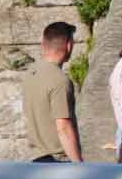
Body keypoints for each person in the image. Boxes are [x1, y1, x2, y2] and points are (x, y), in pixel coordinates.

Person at [21, 20, 82, 163]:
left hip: (36, 160)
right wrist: (79, 166)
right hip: (57, 162)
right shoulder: (59, 80)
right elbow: (63, 128)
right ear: (69, 45)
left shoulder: (30, 75)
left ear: (43, 43)